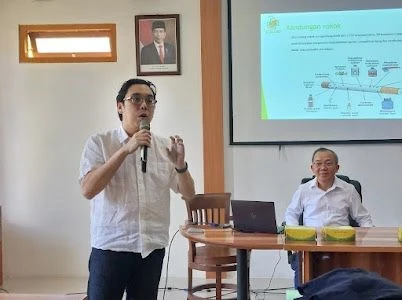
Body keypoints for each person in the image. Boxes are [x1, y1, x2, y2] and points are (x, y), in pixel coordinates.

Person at [79, 78, 195, 300]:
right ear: (120, 106)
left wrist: (180, 165)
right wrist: (125, 150)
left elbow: (189, 194)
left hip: (150, 248)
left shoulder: (163, 146)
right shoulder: (100, 143)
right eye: (136, 99)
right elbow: (88, 190)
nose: (144, 105)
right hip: (111, 247)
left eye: (150, 100)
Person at [284, 147, 373, 287]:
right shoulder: (304, 190)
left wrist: (371, 239)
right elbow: (291, 214)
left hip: (341, 245)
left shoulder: (349, 190)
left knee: (347, 281)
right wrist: (296, 239)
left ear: (337, 167)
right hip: (310, 245)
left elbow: (363, 218)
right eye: (318, 163)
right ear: (312, 168)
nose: (323, 168)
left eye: (328, 163)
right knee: (303, 278)